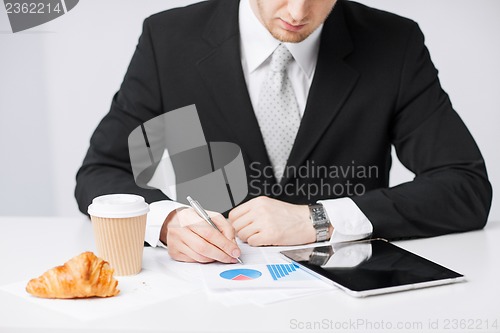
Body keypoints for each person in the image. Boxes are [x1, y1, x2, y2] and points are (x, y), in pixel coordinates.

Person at [75, 0, 492, 264]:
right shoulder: (169, 41)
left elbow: (465, 187)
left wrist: (321, 219)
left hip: (348, 300)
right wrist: (168, 222)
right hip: (207, 300)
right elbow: (100, 174)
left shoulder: (393, 43)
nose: (296, 12)